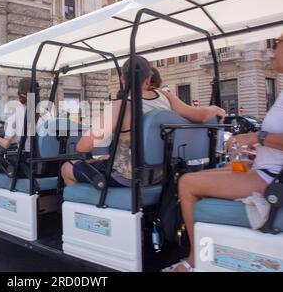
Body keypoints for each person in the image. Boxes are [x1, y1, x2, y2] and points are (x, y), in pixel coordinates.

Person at [162, 33, 283, 272]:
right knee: (211, 171)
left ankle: (195, 258)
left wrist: (256, 137)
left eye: (278, 42)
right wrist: (258, 148)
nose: (274, 47)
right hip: (265, 169)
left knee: (186, 182)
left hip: (271, 179)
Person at [61, 56, 226, 187]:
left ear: (122, 79)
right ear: (148, 79)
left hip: (128, 178)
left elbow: (83, 146)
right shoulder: (166, 97)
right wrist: (215, 108)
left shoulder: (120, 106)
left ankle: (90, 204)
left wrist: (93, 159)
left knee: (67, 168)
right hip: (163, 173)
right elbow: (199, 115)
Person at [0, 77, 32, 158]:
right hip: (42, 160)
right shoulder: (45, 112)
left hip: (26, 159)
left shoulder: (17, 113)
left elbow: (6, 144)